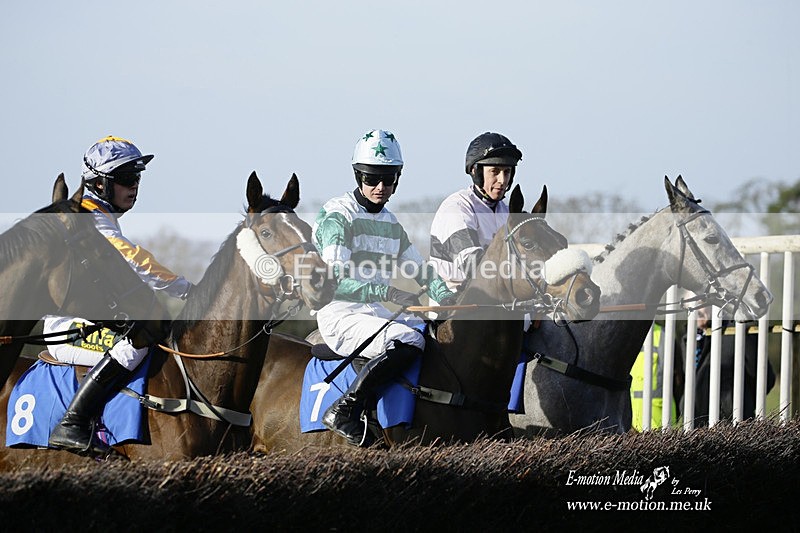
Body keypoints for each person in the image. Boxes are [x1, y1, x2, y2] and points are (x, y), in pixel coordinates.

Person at [46, 135, 192, 456]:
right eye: (126, 178)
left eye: (137, 177)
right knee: (138, 344)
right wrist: (188, 291)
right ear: (99, 184)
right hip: (67, 328)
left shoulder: (102, 216)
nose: (134, 186)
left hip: (90, 321)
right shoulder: (92, 218)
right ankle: (72, 422)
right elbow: (135, 261)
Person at [315, 129, 455, 446]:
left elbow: (420, 269)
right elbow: (335, 281)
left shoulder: (390, 222)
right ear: (358, 175)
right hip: (340, 314)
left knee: (430, 331)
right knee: (409, 339)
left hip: (374, 312)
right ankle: (344, 411)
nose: (380, 187)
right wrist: (387, 292)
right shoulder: (338, 216)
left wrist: (446, 296)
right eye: (371, 178)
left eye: (388, 179)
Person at [429, 132, 523, 292]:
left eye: (507, 172)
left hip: (496, 298)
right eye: (495, 171)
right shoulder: (457, 208)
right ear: (476, 172)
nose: (502, 180)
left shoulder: (505, 211)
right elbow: (473, 266)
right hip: (454, 300)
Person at [686, 306, 776, 426]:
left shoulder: (738, 330)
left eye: (700, 302)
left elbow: (764, 378)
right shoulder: (687, 338)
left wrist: (738, 402)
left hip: (732, 423)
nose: (694, 310)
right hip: (695, 424)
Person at [629, 322, 682, 431]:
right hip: (634, 414)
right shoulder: (629, 334)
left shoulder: (663, 335)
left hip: (659, 413)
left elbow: (677, 375)